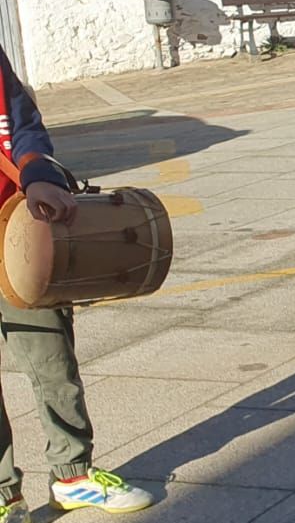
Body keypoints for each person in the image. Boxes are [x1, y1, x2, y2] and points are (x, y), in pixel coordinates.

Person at [0, 46, 154, 523]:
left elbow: (23, 125)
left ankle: (72, 477)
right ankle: (3, 495)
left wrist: (38, 175)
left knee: (53, 361)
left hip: (14, 232)